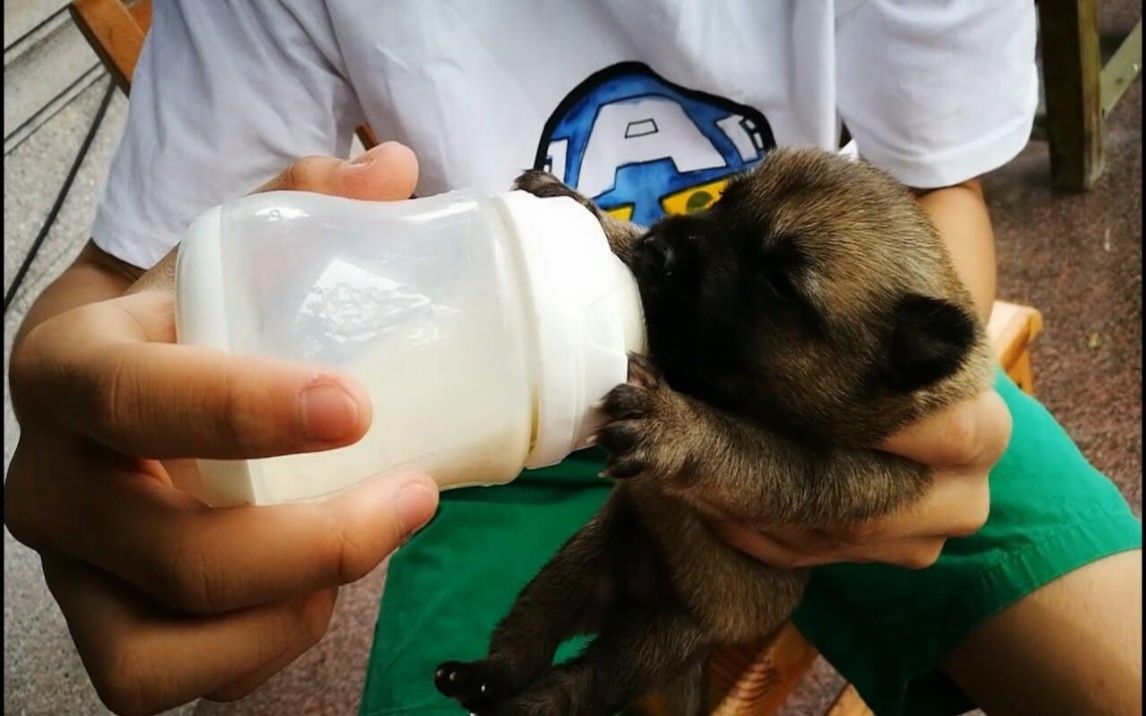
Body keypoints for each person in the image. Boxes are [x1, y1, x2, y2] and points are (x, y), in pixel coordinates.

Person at [4, 2, 1139, 715]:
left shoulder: (880, 354)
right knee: (559, 645)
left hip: (868, 425)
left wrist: (884, 425)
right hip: (522, 427)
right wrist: (89, 404)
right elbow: (138, 278)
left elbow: (940, 184)